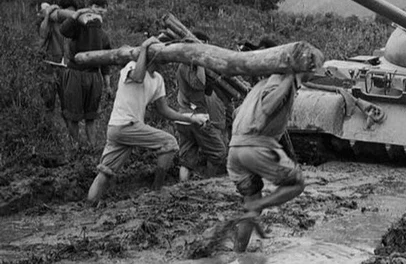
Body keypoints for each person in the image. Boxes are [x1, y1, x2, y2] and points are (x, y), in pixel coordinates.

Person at [226, 42, 324, 252]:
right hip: (256, 145)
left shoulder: (259, 84)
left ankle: (239, 254)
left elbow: (236, 114)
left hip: (234, 149)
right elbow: (269, 105)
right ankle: (255, 208)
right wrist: (289, 79)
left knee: (252, 199)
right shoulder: (281, 80)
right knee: (296, 184)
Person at [87, 37, 209, 204]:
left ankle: (89, 206)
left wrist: (191, 118)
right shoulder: (131, 67)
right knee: (169, 143)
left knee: (106, 171)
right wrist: (144, 47)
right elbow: (137, 77)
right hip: (124, 125)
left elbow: (165, 110)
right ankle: (156, 191)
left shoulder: (158, 79)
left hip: (123, 128)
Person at [59, 0, 113, 148]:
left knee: (91, 117)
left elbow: (106, 61)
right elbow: (64, 30)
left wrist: (108, 85)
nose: (101, 10)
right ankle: (75, 148)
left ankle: (92, 148)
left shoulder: (103, 35)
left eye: (104, 7)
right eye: (97, 6)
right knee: (73, 116)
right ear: (90, 7)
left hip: (94, 76)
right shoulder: (79, 25)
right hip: (75, 74)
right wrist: (76, 15)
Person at [175, 31, 229, 182]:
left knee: (187, 160)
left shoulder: (182, 66)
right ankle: (207, 184)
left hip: (182, 117)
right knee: (218, 152)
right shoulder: (190, 66)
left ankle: (182, 188)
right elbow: (198, 84)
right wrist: (200, 63)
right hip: (196, 117)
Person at [38, 0, 79, 124]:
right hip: (49, 67)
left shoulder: (75, 26)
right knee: (48, 104)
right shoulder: (52, 22)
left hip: (66, 69)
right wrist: (47, 16)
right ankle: (47, 135)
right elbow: (42, 34)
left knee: (67, 107)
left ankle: (72, 139)